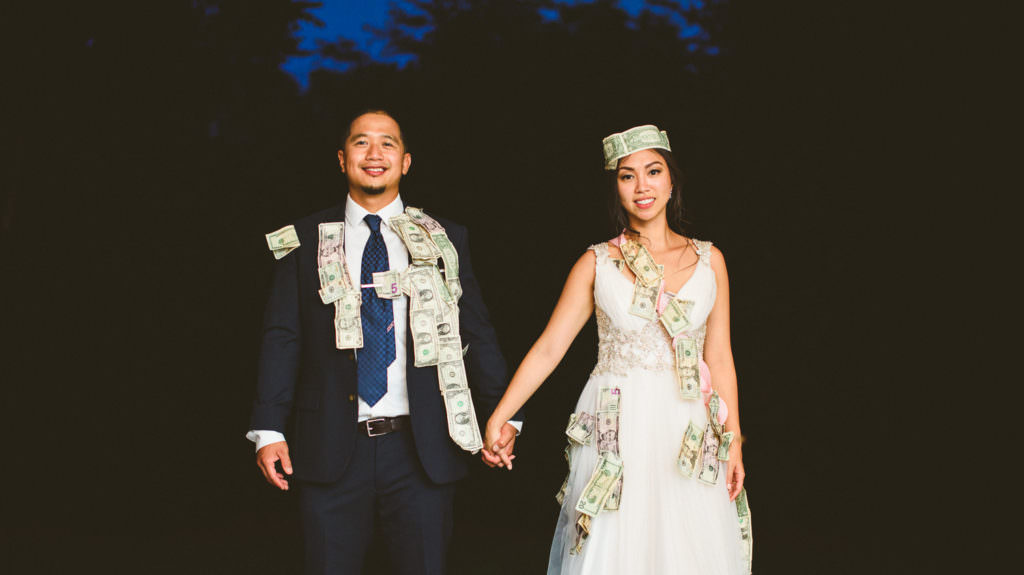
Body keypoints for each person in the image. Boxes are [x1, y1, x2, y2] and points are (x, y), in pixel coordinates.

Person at [248, 110, 522, 575]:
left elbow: (475, 330)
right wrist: (268, 429)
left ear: (406, 161)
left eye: (388, 144)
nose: (374, 154)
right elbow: (282, 337)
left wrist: (506, 414)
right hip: (330, 446)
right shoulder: (304, 240)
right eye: (361, 143)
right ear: (341, 159)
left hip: (422, 448)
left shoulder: (446, 239)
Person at [483, 125, 750, 574]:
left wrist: (735, 439)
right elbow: (550, 347)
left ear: (671, 181)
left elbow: (719, 357)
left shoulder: (710, 259)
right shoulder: (597, 262)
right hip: (617, 424)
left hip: (689, 425)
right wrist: (500, 416)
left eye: (653, 171)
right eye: (628, 176)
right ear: (616, 187)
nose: (642, 186)